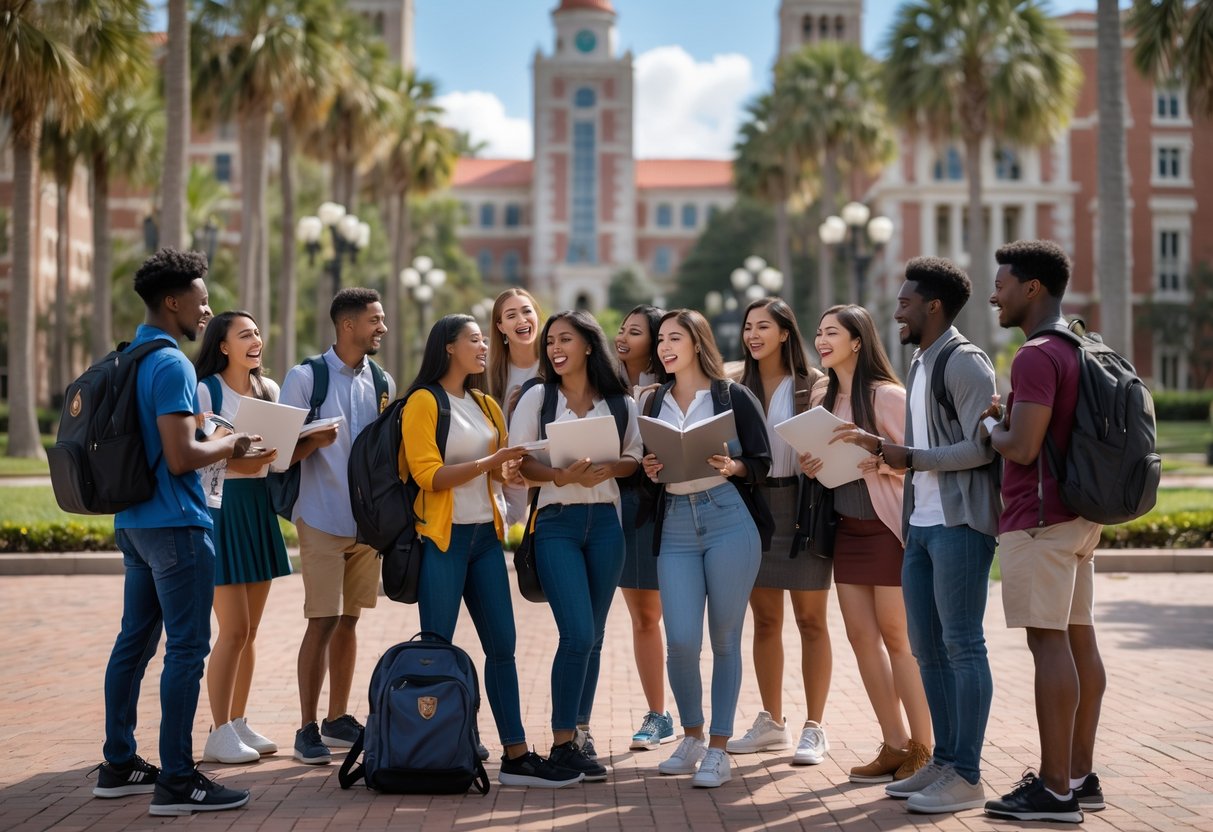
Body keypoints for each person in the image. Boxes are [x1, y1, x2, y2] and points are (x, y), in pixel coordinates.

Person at [93, 248, 265, 816]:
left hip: (135, 522)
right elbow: (180, 455)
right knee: (187, 651)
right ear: (173, 302)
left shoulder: (129, 356)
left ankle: (118, 764)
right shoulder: (169, 363)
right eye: (201, 297)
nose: (206, 306)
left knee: (134, 644)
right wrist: (230, 442)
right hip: (177, 524)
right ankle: (178, 778)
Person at [830, 261, 1000, 812]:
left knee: (962, 647)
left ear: (933, 306)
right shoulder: (922, 360)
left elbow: (982, 447)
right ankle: (942, 763)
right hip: (920, 526)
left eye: (905, 303)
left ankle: (968, 775)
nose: (896, 311)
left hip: (959, 526)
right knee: (928, 651)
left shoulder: (964, 360)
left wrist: (904, 457)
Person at [402, 314, 583, 788]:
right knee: (436, 651)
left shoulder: (485, 402)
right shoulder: (422, 401)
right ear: (447, 347)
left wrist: (514, 471)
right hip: (442, 539)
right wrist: (492, 461)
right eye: (475, 340)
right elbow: (428, 476)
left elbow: (500, 471)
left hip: (485, 538)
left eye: (485, 339)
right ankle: (435, 749)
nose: (485, 347)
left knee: (502, 647)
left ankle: (517, 756)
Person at [982, 240, 1105, 824]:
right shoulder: (1082, 343)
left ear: (1032, 288)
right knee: (1080, 639)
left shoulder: (1034, 355)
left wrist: (992, 427)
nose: (994, 294)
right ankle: (1081, 776)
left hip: (1039, 519)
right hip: (1081, 516)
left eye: (1002, 284)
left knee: (1048, 643)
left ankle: (1054, 791)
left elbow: (1024, 447)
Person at [799, 304, 931, 784]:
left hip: (887, 530)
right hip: (847, 530)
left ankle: (925, 747)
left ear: (858, 341)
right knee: (861, 640)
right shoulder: (823, 397)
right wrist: (813, 464)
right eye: (818, 332)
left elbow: (918, 460)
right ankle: (894, 743)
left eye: (831, 332)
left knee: (898, 639)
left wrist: (886, 463)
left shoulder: (888, 396)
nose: (821, 340)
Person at [641, 309, 773, 789]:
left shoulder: (732, 395)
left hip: (727, 519)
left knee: (723, 638)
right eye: (660, 340)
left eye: (674, 338)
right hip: (675, 520)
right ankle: (691, 735)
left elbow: (762, 461)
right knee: (679, 640)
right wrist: (649, 469)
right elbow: (645, 467)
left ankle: (719, 747)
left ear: (696, 343)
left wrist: (733, 467)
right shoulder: (654, 400)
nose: (664, 347)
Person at [512, 311, 643, 781]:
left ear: (589, 345)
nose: (554, 348)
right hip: (557, 523)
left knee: (596, 635)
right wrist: (559, 476)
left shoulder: (619, 401)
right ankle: (563, 742)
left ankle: (579, 734)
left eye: (565, 339)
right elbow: (520, 460)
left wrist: (612, 468)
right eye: (550, 342)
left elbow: (634, 457)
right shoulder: (539, 398)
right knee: (578, 634)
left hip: (606, 523)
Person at [280, 288, 392, 766]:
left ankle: (338, 718)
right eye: (375, 320)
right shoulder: (305, 378)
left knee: (350, 621)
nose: (381, 328)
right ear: (348, 326)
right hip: (321, 516)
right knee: (322, 620)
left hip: (366, 525)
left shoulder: (383, 381)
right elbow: (277, 454)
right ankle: (307, 727)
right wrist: (314, 440)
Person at [193, 312, 307, 764]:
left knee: (251, 631)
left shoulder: (270, 390)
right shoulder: (207, 390)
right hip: (222, 510)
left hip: (258, 508)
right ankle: (218, 731)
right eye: (245, 334)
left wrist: (301, 445)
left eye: (258, 332)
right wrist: (255, 456)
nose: (256, 339)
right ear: (223, 346)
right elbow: (205, 458)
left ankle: (238, 722)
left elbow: (274, 462)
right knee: (233, 629)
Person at [727, 298, 834, 767]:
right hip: (752, 506)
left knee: (811, 620)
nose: (753, 335)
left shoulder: (815, 386)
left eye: (763, 326)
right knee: (766, 621)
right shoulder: (734, 385)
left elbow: (832, 444)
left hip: (802, 506)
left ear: (786, 333)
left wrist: (820, 460)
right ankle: (772, 721)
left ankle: (814, 726)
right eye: (748, 326)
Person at [613, 305, 675, 750]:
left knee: (684, 620)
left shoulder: (674, 389)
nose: (622, 336)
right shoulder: (604, 386)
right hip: (625, 504)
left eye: (634, 331)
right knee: (644, 616)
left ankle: (694, 715)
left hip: (672, 505)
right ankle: (659, 714)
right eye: (621, 328)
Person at [487, 289, 545, 526]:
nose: (521, 320)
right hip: (505, 482)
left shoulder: (556, 364)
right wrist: (510, 415)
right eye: (511, 315)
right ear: (500, 326)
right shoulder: (488, 374)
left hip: (550, 477)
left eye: (526, 311)